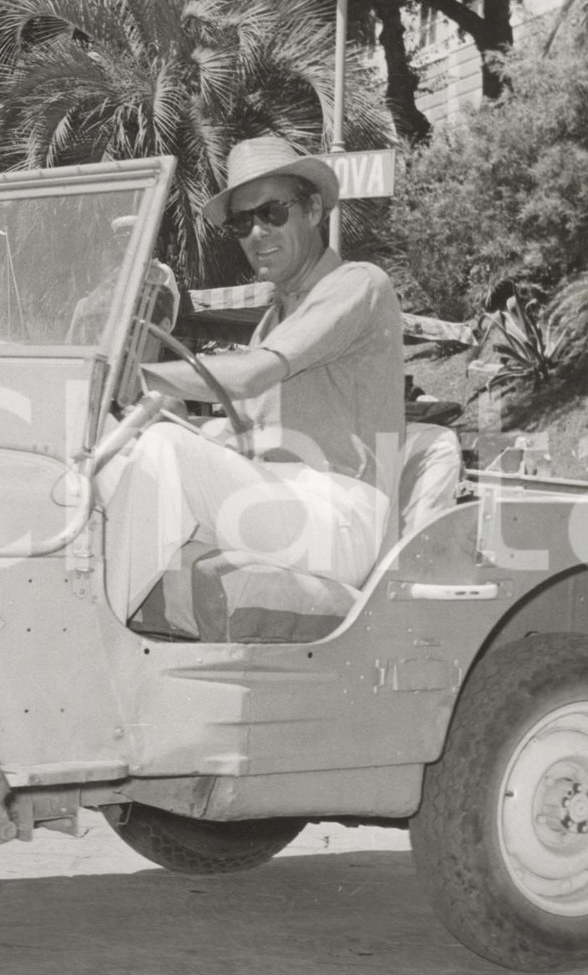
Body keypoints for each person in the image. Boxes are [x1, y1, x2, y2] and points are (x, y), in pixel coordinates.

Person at [95, 135, 408, 622]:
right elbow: (247, 436)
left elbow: (252, 375)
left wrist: (138, 375)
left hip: (342, 514)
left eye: (273, 212)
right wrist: (177, 419)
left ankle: (95, 631)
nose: (257, 232)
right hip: (284, 495)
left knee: (165, 452)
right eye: (243, 222)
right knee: (113, 454)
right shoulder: (275, 319)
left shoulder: (357, 284)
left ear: (312, 210)